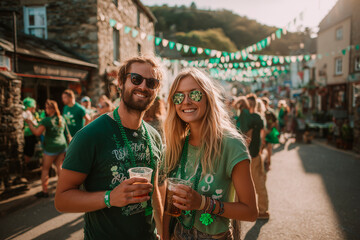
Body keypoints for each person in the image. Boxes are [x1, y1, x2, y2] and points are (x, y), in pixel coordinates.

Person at [55, 56, 164, 239]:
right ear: (120, 82)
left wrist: (165, 234)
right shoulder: (89, 136)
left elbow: (155, 193)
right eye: (136, 79)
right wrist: (109, 198)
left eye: (152, 83)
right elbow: (62, 200)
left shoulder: (154, 136)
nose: (144, 87)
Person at [162, 68, 257, 240]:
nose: (186, 101)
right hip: (178, 234)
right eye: (179, 96)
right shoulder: (177, 144)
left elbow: (250, 212)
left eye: (195, 94)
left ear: (208, 97)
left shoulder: (231, 144)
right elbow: (167, 206)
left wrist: (203, 203)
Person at [25, 100, 67, 198]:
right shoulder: (61, 118)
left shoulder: (46, 120)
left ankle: (45, 191)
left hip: (51, 148)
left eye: (47, 107)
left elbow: (37, 132)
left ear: (50, 109)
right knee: (59, 167)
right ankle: (64, 189)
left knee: (45, 169)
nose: (45, 109)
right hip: (62, 145)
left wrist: (29, 123)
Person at [246, 93, 269, 220]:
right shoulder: (255, 118)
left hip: (253, 155)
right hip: (252, 154)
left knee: (258, 183)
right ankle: (261, 209)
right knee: (255, 182)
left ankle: (263, 210)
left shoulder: (253, 118)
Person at [261, 97, 279, 171]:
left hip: (269, 133)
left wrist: (270, 130)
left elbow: (275, 122)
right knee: (262, 148)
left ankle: (268, 163)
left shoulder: (270, 112)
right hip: (263, 133)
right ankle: (263, 163)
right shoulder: (261, 111)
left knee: (269, 148)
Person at [23, 97, 39, 167]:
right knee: (29, 152)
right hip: (29, 136)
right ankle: (24, 166)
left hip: (28, 135)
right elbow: (35, 123)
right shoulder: (27, 113)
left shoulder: (25, 112)